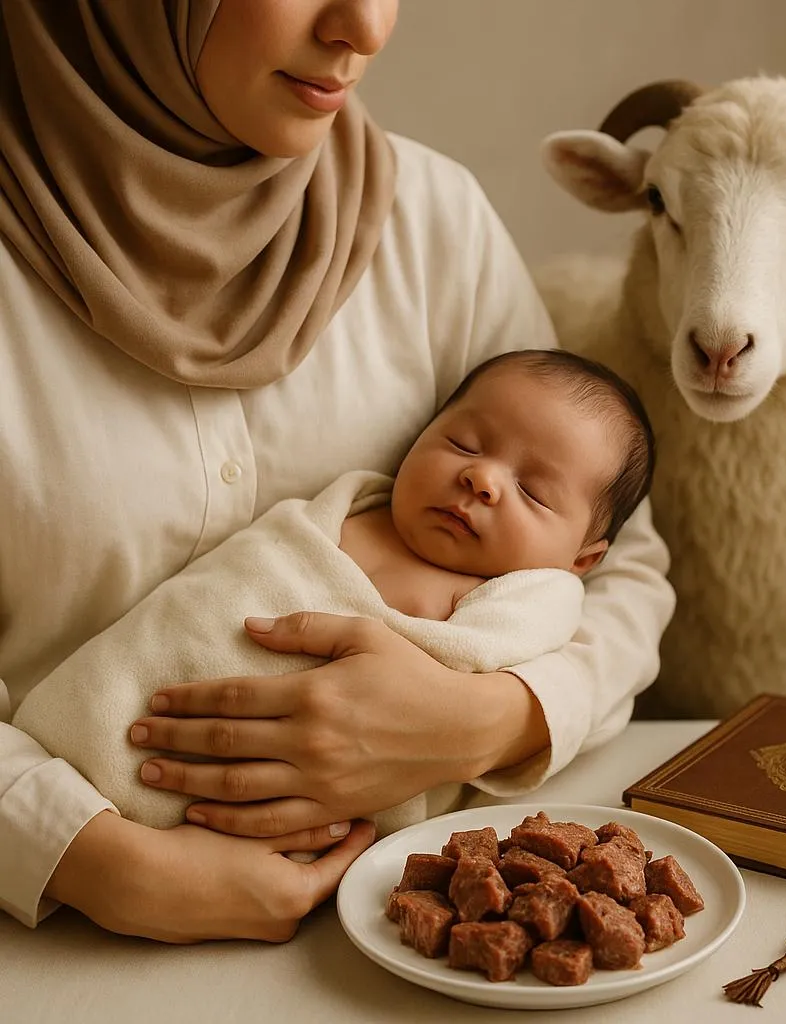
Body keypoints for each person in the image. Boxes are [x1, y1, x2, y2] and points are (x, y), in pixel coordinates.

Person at [0, 0, 674, 943]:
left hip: (407, 935)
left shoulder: (432, 222)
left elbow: (619, 568)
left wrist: (485, 719)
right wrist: (79, 853)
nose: (367, 26)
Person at [15, 348, 657, 840]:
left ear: (581, 560)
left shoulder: (521, 605)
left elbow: (468, 702)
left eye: (535, 492)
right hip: (94, 730)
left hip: (270, 814)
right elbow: (202, 605)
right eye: (462, 442)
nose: (482, 476)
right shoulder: (338, 513)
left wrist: (484, 718)